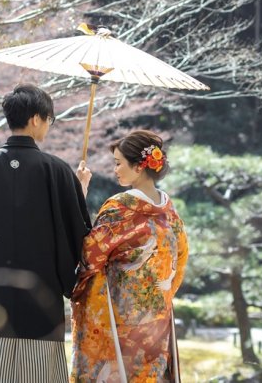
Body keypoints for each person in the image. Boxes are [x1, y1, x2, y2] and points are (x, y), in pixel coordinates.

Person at [0, 84, 93, 383]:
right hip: (42, 302)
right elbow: (80, 236)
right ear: (37, 119)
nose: (49, 127)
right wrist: (78, 192)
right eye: (49, 120)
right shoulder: (57, 171)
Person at [70, 130, 188, 383]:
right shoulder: (169, 211)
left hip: (120, 318)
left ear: (138, 166)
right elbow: (180, 262)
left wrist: (78, 194)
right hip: (156, 320)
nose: (115, 170)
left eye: (118, 163)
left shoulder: (120, 207)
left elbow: (89, 256)